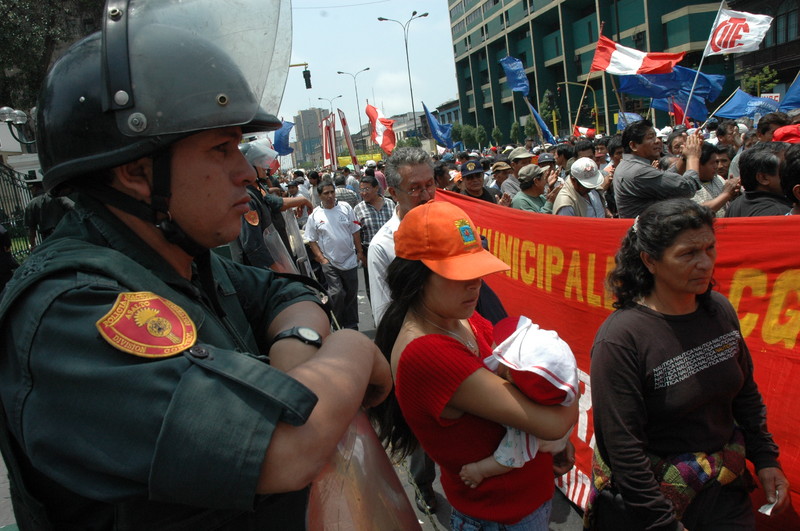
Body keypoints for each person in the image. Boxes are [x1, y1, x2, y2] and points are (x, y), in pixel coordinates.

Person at [0, 2, 391, 529]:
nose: (245, 173)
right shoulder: (70, 311)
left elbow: (289, 294)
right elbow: (289, 447)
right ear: (139, 173)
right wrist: (351, 349)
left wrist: (296, 357)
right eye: (221, 149)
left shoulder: (180, 260)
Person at [370, 201, 578, 529]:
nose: (476, 283)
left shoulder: (458, 318)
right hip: (501, 518)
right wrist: (569, 384)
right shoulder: (428, 354)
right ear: (416, 277)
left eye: (478, 271)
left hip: (522, 504)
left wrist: (552, 444)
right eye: (460, 274)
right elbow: (551, 423)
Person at [587, 198, 789, 530]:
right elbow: (624, 451)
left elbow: (746, 396)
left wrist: (766, 459)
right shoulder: (621, 339)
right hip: (654, 502)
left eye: (710, 248)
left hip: (723, 493)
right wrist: (663, 523)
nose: (705, 263)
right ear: (650, 261)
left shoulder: (719, 311)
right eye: (687, 254)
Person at [458, 316, 578, 488]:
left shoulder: (523, 423)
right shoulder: (551, 393)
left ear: (509, 374)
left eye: (501, 349)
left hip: (515, 493)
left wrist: (479, 470)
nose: (495, 344)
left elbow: (509, 458)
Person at [305, 179, 364, 330]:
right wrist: (322, 259)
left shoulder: (345, 208)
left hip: (350, 260)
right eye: (326, 193)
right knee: (337, 293)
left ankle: (351, 326)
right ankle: (336, 324)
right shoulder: (315, 216)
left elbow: (355, 230)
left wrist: (359, 251)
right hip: (330, 262)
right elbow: (311, 240)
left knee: (351, 294)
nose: (330, 196)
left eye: (332, 192)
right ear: (320, 196)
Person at [614, 120, 702, 218]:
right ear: (633, 145)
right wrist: (693, 156)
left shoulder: (629, 165)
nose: (657, 141)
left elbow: (665, 178)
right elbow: (688, 188)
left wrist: (685, 157)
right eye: (650, 137)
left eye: (656, 136)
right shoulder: (638, 171)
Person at [353, 175, 394, 302]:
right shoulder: (358, 208)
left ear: (376, 188)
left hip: (391, 252)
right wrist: (360, 253)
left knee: (392, 285)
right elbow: (356, 232)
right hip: (369, 253)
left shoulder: (390, 204)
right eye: (361, 190)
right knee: (374, 288)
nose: (363, 193)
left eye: (366, 189)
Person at [727, 143, 792, 217]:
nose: (793, 173)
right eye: (787, 168)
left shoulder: (736, 204)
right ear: (763, 178)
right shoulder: (780, 213)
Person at [23, 177, 74, 250]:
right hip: (65, 233)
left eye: (31, 189)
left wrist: (32, 245)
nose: (31, 191)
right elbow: (73, 208)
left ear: (35, 189)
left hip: (48, 238)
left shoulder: (32, 204)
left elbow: (31, 229)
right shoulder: (58, 197)